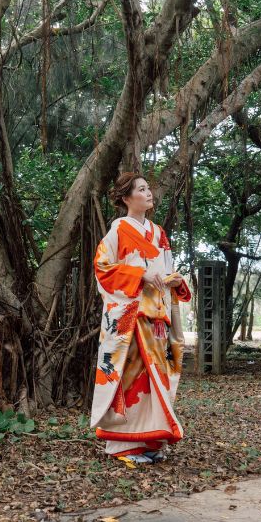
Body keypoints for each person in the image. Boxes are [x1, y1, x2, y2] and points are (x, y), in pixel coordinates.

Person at [90, 172, 191, 465]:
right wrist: (140, 274)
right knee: (130, 379)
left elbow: (167, 267)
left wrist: (174, 281)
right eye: (142, 189)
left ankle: (149, 440)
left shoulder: (159, 233)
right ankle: (121, 445)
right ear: (126, 198)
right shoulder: (118, 231)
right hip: (130, 318)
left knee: (154, 381)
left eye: (149, 189)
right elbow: (102, 270)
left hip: (156, 318)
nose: (149, 194)